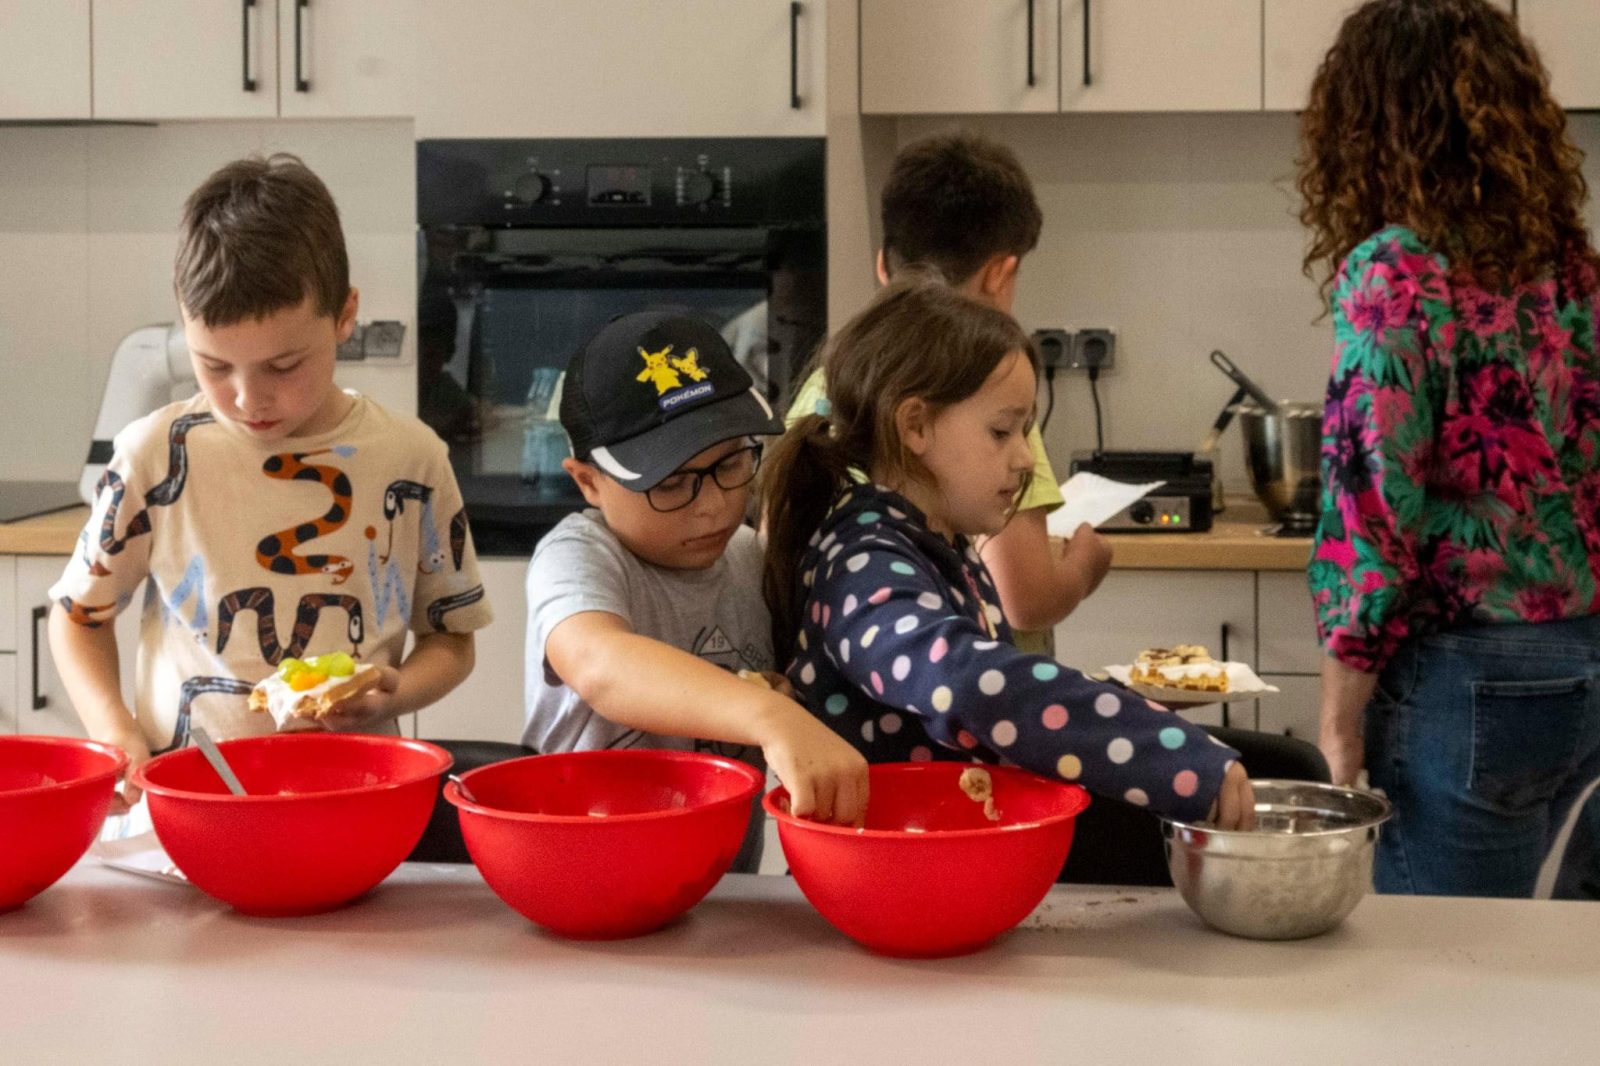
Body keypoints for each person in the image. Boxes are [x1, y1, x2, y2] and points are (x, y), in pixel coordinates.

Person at [50, 154, 491, 808]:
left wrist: (393, 691)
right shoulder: (154, 456)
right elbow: (77, 617)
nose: (247, 398)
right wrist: (114, 730)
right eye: (213, 365)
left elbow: (451, 640)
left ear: (345, 315)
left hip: (354, 800)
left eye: (284, 366)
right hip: (186, 808)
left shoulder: (411, 458)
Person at [763, 278, 1255, 829]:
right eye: (1002, 431)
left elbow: (992, 695)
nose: (1025, 458)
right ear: (914, 426)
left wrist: (1127, 704)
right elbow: (967, 684)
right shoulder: (863, 560)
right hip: (895, 869)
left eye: (1025, 431)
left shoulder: (937, 542)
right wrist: (1167, 753)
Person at [1300, 0, 1600, 897]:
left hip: (1469, 679)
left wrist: (1338, 725)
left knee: (1442, 963)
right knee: (1533, 954)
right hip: (1584, 663)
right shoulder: (1570, 267)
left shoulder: (1396, 271)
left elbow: (1371, 506)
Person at [524, 311, 868, 870]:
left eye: (731, 463)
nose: (712, 505)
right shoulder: (579, 554)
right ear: (588, 482)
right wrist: (767, 714)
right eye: (672, 484)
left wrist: (782, 696)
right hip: (586, 880)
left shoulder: (751, 557)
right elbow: (598, 663)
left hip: (721, 883)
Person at [786, 131, 1111, 649]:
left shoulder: (830, 378)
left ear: (882, 263)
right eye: (1004, 432)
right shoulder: (989, 386)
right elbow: (1025, 598)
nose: (1021, 455)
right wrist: (1085, 565)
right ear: (1000, 273)